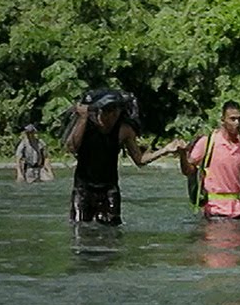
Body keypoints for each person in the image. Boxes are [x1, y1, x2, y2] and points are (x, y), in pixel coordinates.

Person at [64, 88, 183, 226]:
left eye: (116, 113)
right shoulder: (86, 125)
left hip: (109, 189)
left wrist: (165, 150)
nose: (112, 118)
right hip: (83, 188)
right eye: (108, 113)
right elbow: (72, 147)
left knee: (113, 231)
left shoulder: (124, 130)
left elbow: (140, 160)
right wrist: (83, 118)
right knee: (81, 229)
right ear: (99, 112)